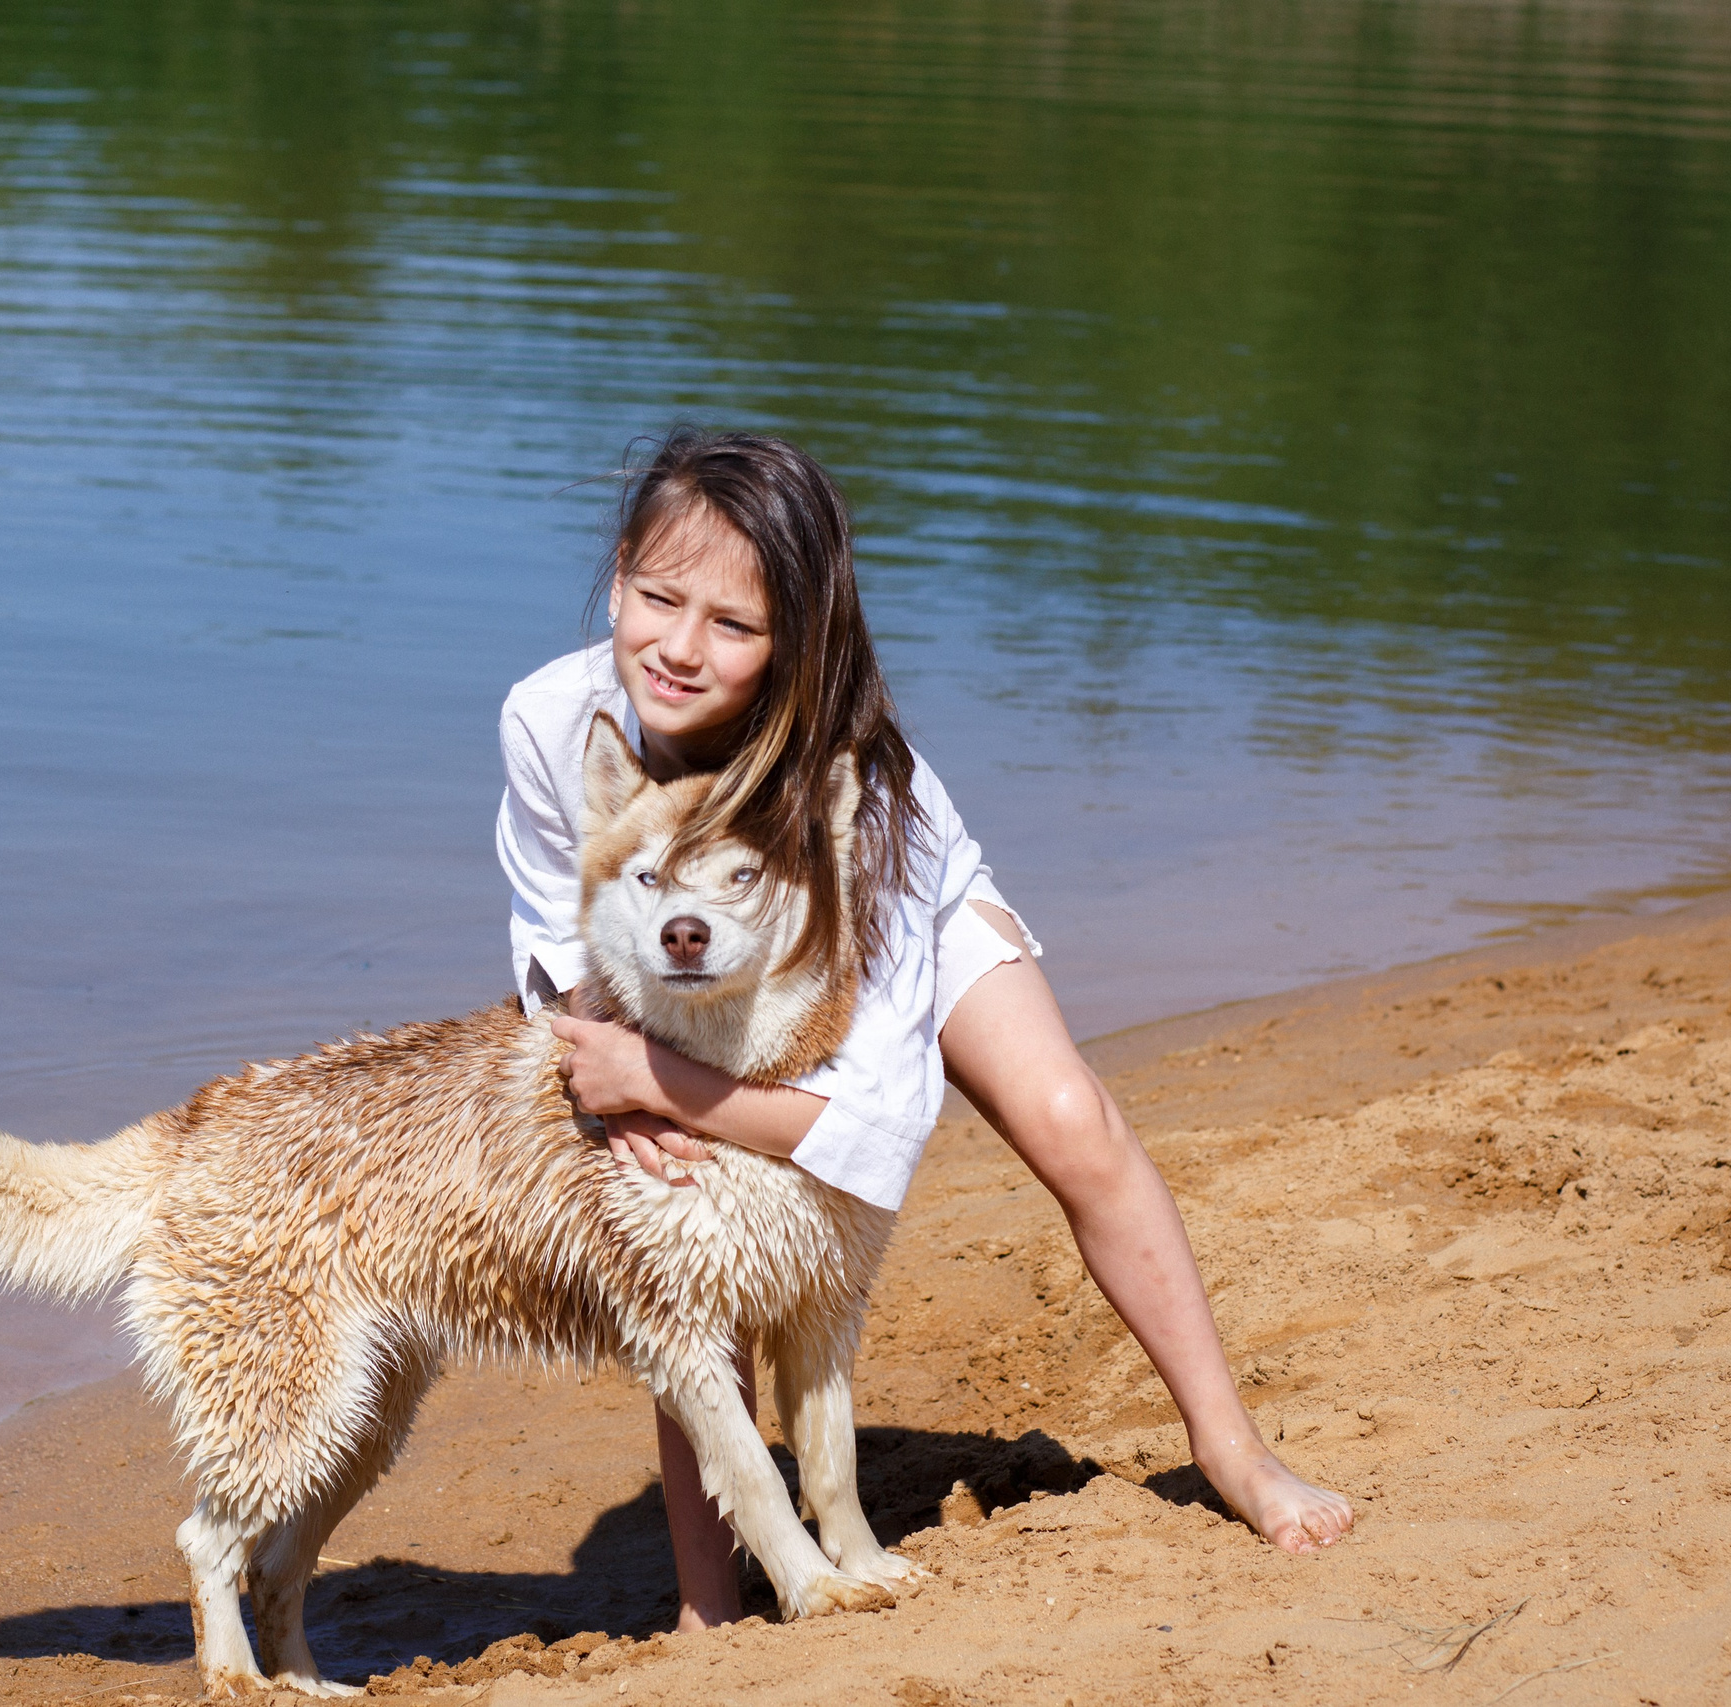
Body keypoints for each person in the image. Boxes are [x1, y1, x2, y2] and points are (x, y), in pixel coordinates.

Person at [496, 427, 1353, 1632]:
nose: (680, 649)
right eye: (657, 598)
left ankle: (1231, 1449)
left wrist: (654, 1078)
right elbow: (565, 943)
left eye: (734, 627)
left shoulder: (861, 788)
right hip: (677, 933)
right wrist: (611, 1066)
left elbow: (876, 1119)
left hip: (888, 916)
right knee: (685, 1226)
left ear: (796, 640)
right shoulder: (550, 721)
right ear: (621, 569)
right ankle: (708, 1602)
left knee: (1069, 1119)